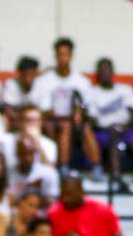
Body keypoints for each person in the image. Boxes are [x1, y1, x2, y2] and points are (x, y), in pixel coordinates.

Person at [88, 57, 133, 188]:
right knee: (113, 140)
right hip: (103, 130)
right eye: (101, 70)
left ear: (112, 72)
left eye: (107, 70)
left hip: (125, 128)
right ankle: (117, 177)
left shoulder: (125, 89)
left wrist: (123, 127)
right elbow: (92, 120)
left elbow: (132, 114)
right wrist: (110, 128)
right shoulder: (92, 93)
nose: (105, 73)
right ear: (97, 74)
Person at [33, 38, 100, 170]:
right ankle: (63, 167)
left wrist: (81, 112)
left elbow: (90, 108)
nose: (62, 58)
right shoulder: (44, 80)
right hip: (51, 122)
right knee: (65, 126)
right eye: (60, 55)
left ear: (71, 56)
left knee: (85, 128)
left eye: (66, 54)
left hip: (75, 123)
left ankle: (97, 168)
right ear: (55, 56)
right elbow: (41, 109)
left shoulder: (81, 81)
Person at [47, 175, 125, 236]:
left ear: (81, 192)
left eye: (70, 195)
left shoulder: (104, 210)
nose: (66, 199)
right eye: (63, 195)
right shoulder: (53, 212)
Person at [0, 106, 59, 171]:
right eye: (28, 120)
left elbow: (51, 170)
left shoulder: (50, 144)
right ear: (19, 123)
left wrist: (37, 143)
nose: (32, 124)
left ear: (41, 123)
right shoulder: (6, 140)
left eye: (35, 121)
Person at [9, 135, 61, 203]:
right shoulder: (9, 173)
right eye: (23, 153)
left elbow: (53, 203)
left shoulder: (49, 173)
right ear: (17, 154)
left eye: (30, 153)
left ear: (35, 153)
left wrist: (38, 190)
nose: (27, 158)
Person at [2, 56, 45, 125]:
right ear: (20, 74)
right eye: (26, 75)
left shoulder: (41, 85)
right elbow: (8, 108)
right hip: (16, 120)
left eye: (31, 75)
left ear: (36, 74)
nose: (28, 79)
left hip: (35, 120)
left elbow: (43, 110)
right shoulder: (11, 84)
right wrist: (22, 120)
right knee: (4, 119)